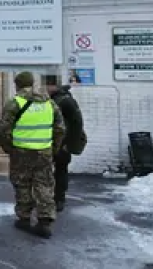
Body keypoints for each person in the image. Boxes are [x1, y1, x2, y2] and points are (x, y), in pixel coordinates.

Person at [0, 71, 65, 239]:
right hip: (44, 151)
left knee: (22, 184)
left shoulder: (15, 103)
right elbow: (60, 128)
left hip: (21, 152)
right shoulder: (49, 102)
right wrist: (53, 148)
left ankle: (24, 218)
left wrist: (9, 149)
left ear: (18, 84)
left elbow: (3, 130)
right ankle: (45, 221)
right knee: (44, 185)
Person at [48, 82, 85, 212]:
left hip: (63, 143)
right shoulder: (52, 99)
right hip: (51, 142)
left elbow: (78, 123)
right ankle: (49, 198)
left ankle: (59, 199)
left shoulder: (66, 101)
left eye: (49, 85)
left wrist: (69, 145)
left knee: (60, 171)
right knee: (49, 172)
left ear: (55, 86)